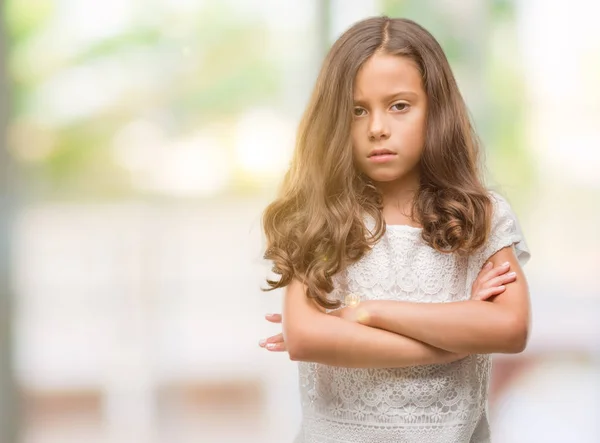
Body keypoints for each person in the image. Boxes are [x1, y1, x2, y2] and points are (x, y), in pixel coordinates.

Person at [258, 16, 531, 443]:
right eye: (357, 110)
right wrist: (458, 339)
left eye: (399, 105)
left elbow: (509, 329)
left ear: (434, 108)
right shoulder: (319, 217)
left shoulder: (481, 215)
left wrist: (367, 312)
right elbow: (307, 337)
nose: (377, 128)